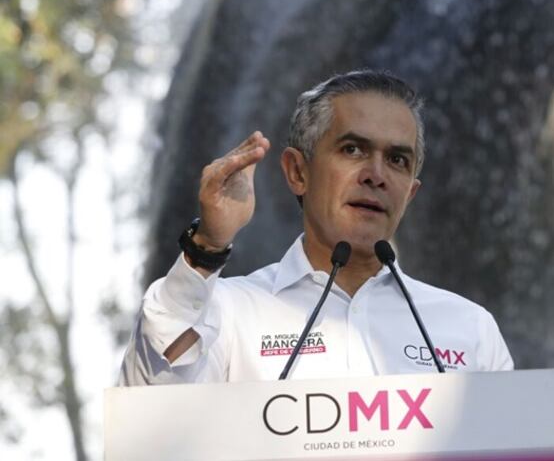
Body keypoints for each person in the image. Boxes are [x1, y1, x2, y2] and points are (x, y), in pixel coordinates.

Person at [120, 70, 513, 385]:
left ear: (409, 193)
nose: (376, 175)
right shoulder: (229, 312)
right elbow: (152, 410)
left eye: (396, 159)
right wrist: (206, 246)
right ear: (297, 172)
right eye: (353, 149)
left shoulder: (469, 327)